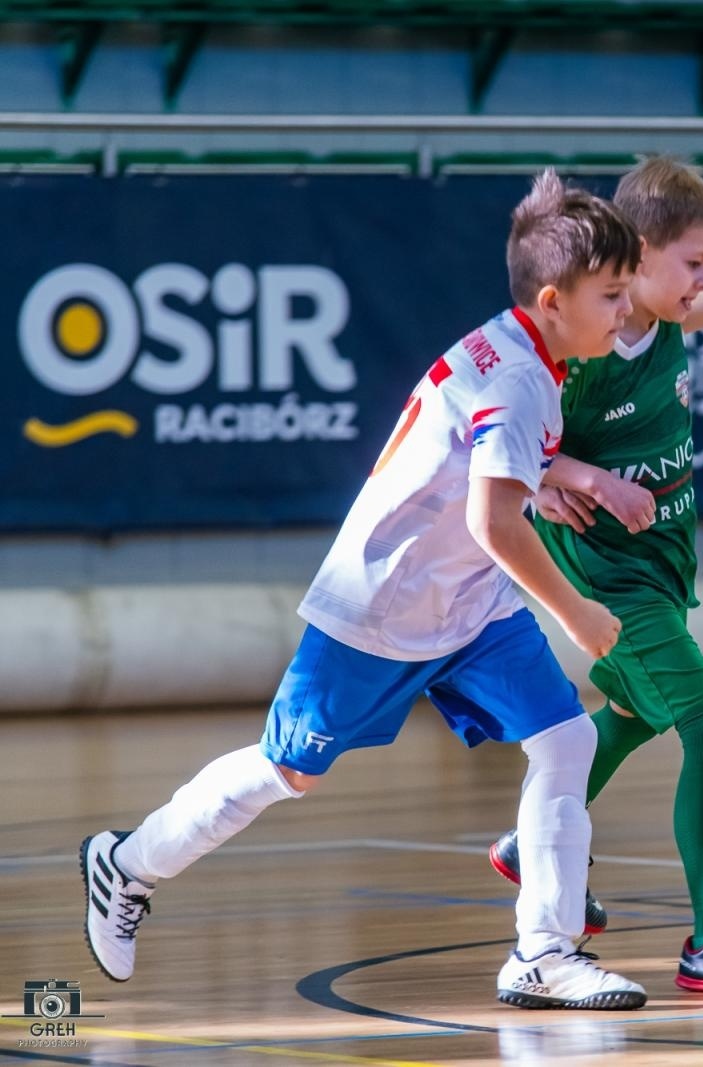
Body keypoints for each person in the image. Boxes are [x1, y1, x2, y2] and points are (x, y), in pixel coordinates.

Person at [80, 171, 652, 1008]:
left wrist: (573, 476)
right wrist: (576, 613)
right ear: (553, 299)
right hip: (384, 604)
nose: (627, 310)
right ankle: (128, 862)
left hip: (469, 604)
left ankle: (544, 952)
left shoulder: (520, 347)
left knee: (565, 740)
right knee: (287, 769)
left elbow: (493, 459)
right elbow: (495, 521)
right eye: (613, 294)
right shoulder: (522, 378)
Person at [484, 156, 703, 993]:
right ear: (637, 256)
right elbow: (510, 438)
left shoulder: (661, 314)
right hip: (608, 574)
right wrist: (576, 479)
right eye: (695, 262)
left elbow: (689, 310)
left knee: (635, 710)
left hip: (662, 556)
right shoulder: (581, 354)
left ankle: (532, 842)